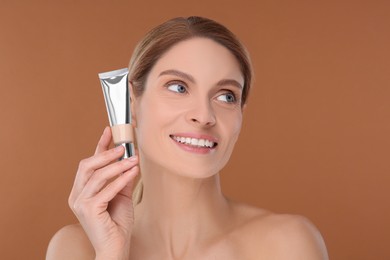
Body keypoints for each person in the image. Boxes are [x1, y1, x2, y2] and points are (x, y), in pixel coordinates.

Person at [46, 16, 328, 259]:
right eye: (178, 87)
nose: (204, 115)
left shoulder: (288, 244)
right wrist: (111, 254)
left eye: (226, 95)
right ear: (132, 102)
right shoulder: (77, 248)